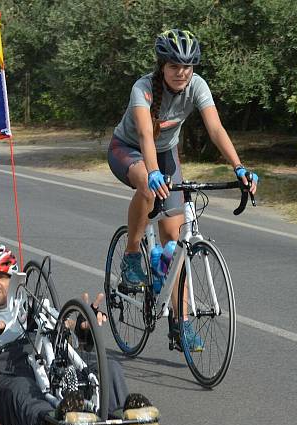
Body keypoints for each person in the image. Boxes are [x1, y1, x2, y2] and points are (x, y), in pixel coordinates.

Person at [108, 29, 259, 348]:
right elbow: (147, 137)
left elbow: (216, 128)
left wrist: (239, 166)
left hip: (166, 154)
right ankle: (133, 254)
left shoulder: (198, 86)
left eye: (188, 67)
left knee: (175, 243)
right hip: (128, 149)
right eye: (175, 66)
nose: (182, 73)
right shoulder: (143, 89)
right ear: (162, 66)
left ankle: (182, 322)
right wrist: (151, 173)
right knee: (148, 191)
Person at [0, 242, 159, 425]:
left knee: (106, 365)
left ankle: (125, 423)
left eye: (2, 276)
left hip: (43, 357)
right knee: (19, 388)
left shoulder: (28, 309)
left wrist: (82, 327)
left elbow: (61, 329)